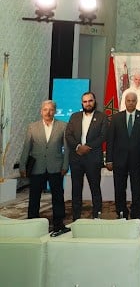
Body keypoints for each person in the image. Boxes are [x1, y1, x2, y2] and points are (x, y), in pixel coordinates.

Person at [19, 100, 69, 232]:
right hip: (37, 167)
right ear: (41, 111)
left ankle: (58, 223)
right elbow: (26, 147)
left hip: (56, 166)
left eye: (51, 109)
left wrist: (65, 165)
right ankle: (32, 223)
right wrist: (22, 166)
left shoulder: (63, 126)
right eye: (45, 109)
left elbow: (67, 148)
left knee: (58, 196)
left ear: (55, 111)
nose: (48, 112)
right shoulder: (32, 127)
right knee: (34, 196)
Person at [64, 92, 108, 221]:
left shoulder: (102, 117)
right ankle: (76, 217)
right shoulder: (74, 116)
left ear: (95, 101)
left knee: (95, 188)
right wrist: (78, 147)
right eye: (85, 101)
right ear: (82, 103)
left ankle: (97, 216)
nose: (88, 104)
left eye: (90, 101)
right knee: (76, 189)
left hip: (93, 158)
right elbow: (68, 135)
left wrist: (87, 147)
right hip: (76, 157)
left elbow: (103, 136)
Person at [105, 92, 140, 220]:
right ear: (125, 102)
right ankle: (121, 213)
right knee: (119, 188)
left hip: (137, 160)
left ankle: (136, 214)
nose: (130, 103)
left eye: (133, 100)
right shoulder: (116, 118)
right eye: (128, 100)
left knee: (137, 189)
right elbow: (110, 139)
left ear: (136, 102)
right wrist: (109, 159)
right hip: (119, 160)